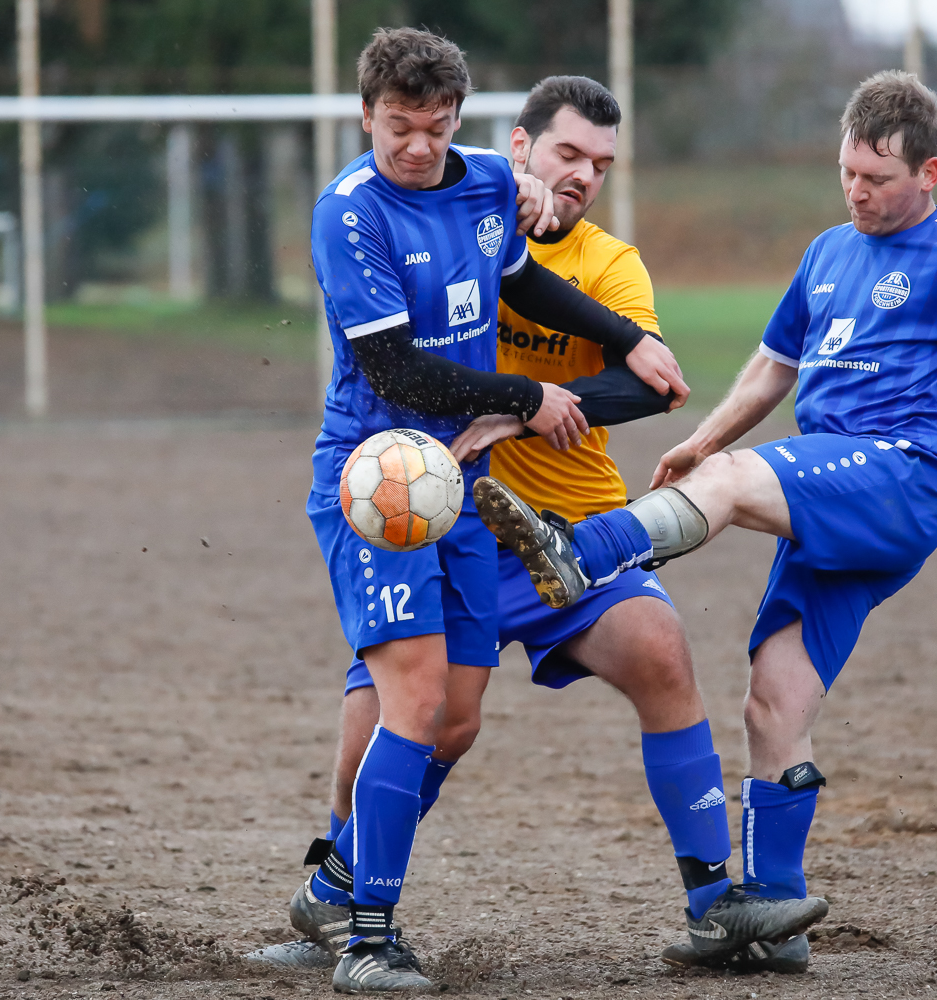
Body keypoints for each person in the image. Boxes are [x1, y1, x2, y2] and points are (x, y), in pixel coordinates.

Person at [476, 69, 937, 970]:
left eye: (878, 179)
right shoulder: (827, 252)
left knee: (735, 484)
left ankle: (584, 551)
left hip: (900, 478)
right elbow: (775, 368)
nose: (858, 191)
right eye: (847, 172)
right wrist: (701, 441)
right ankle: (773, 917)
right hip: (831, 494)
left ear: (928, 174)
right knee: (774, 699)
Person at [251, 74, 825, 982]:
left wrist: (534, 403)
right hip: (431, 502)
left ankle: (715, 902)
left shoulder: (605, 264)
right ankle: (337, 892)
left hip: (565, 532)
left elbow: (654, 381)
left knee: (661, 651)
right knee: (409, 722)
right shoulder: (436, 205)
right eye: (566, 153)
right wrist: (523, 395)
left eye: (601, 163)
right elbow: (399, 366)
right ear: (518, 148)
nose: (583, 175)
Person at [293, 29, 690, 993]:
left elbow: (523, 281)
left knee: (458, 720)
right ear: (366, 115)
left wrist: (626, 339)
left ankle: (332, 885)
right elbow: (396, 370)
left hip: (460, 484)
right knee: (415, 698)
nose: (417, 146)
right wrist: (525, 397)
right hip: (381, 480)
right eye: (399, 126)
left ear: (458, 120)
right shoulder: (349, 214)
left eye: (435, 127)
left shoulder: (481, 181)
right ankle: (369, 941)